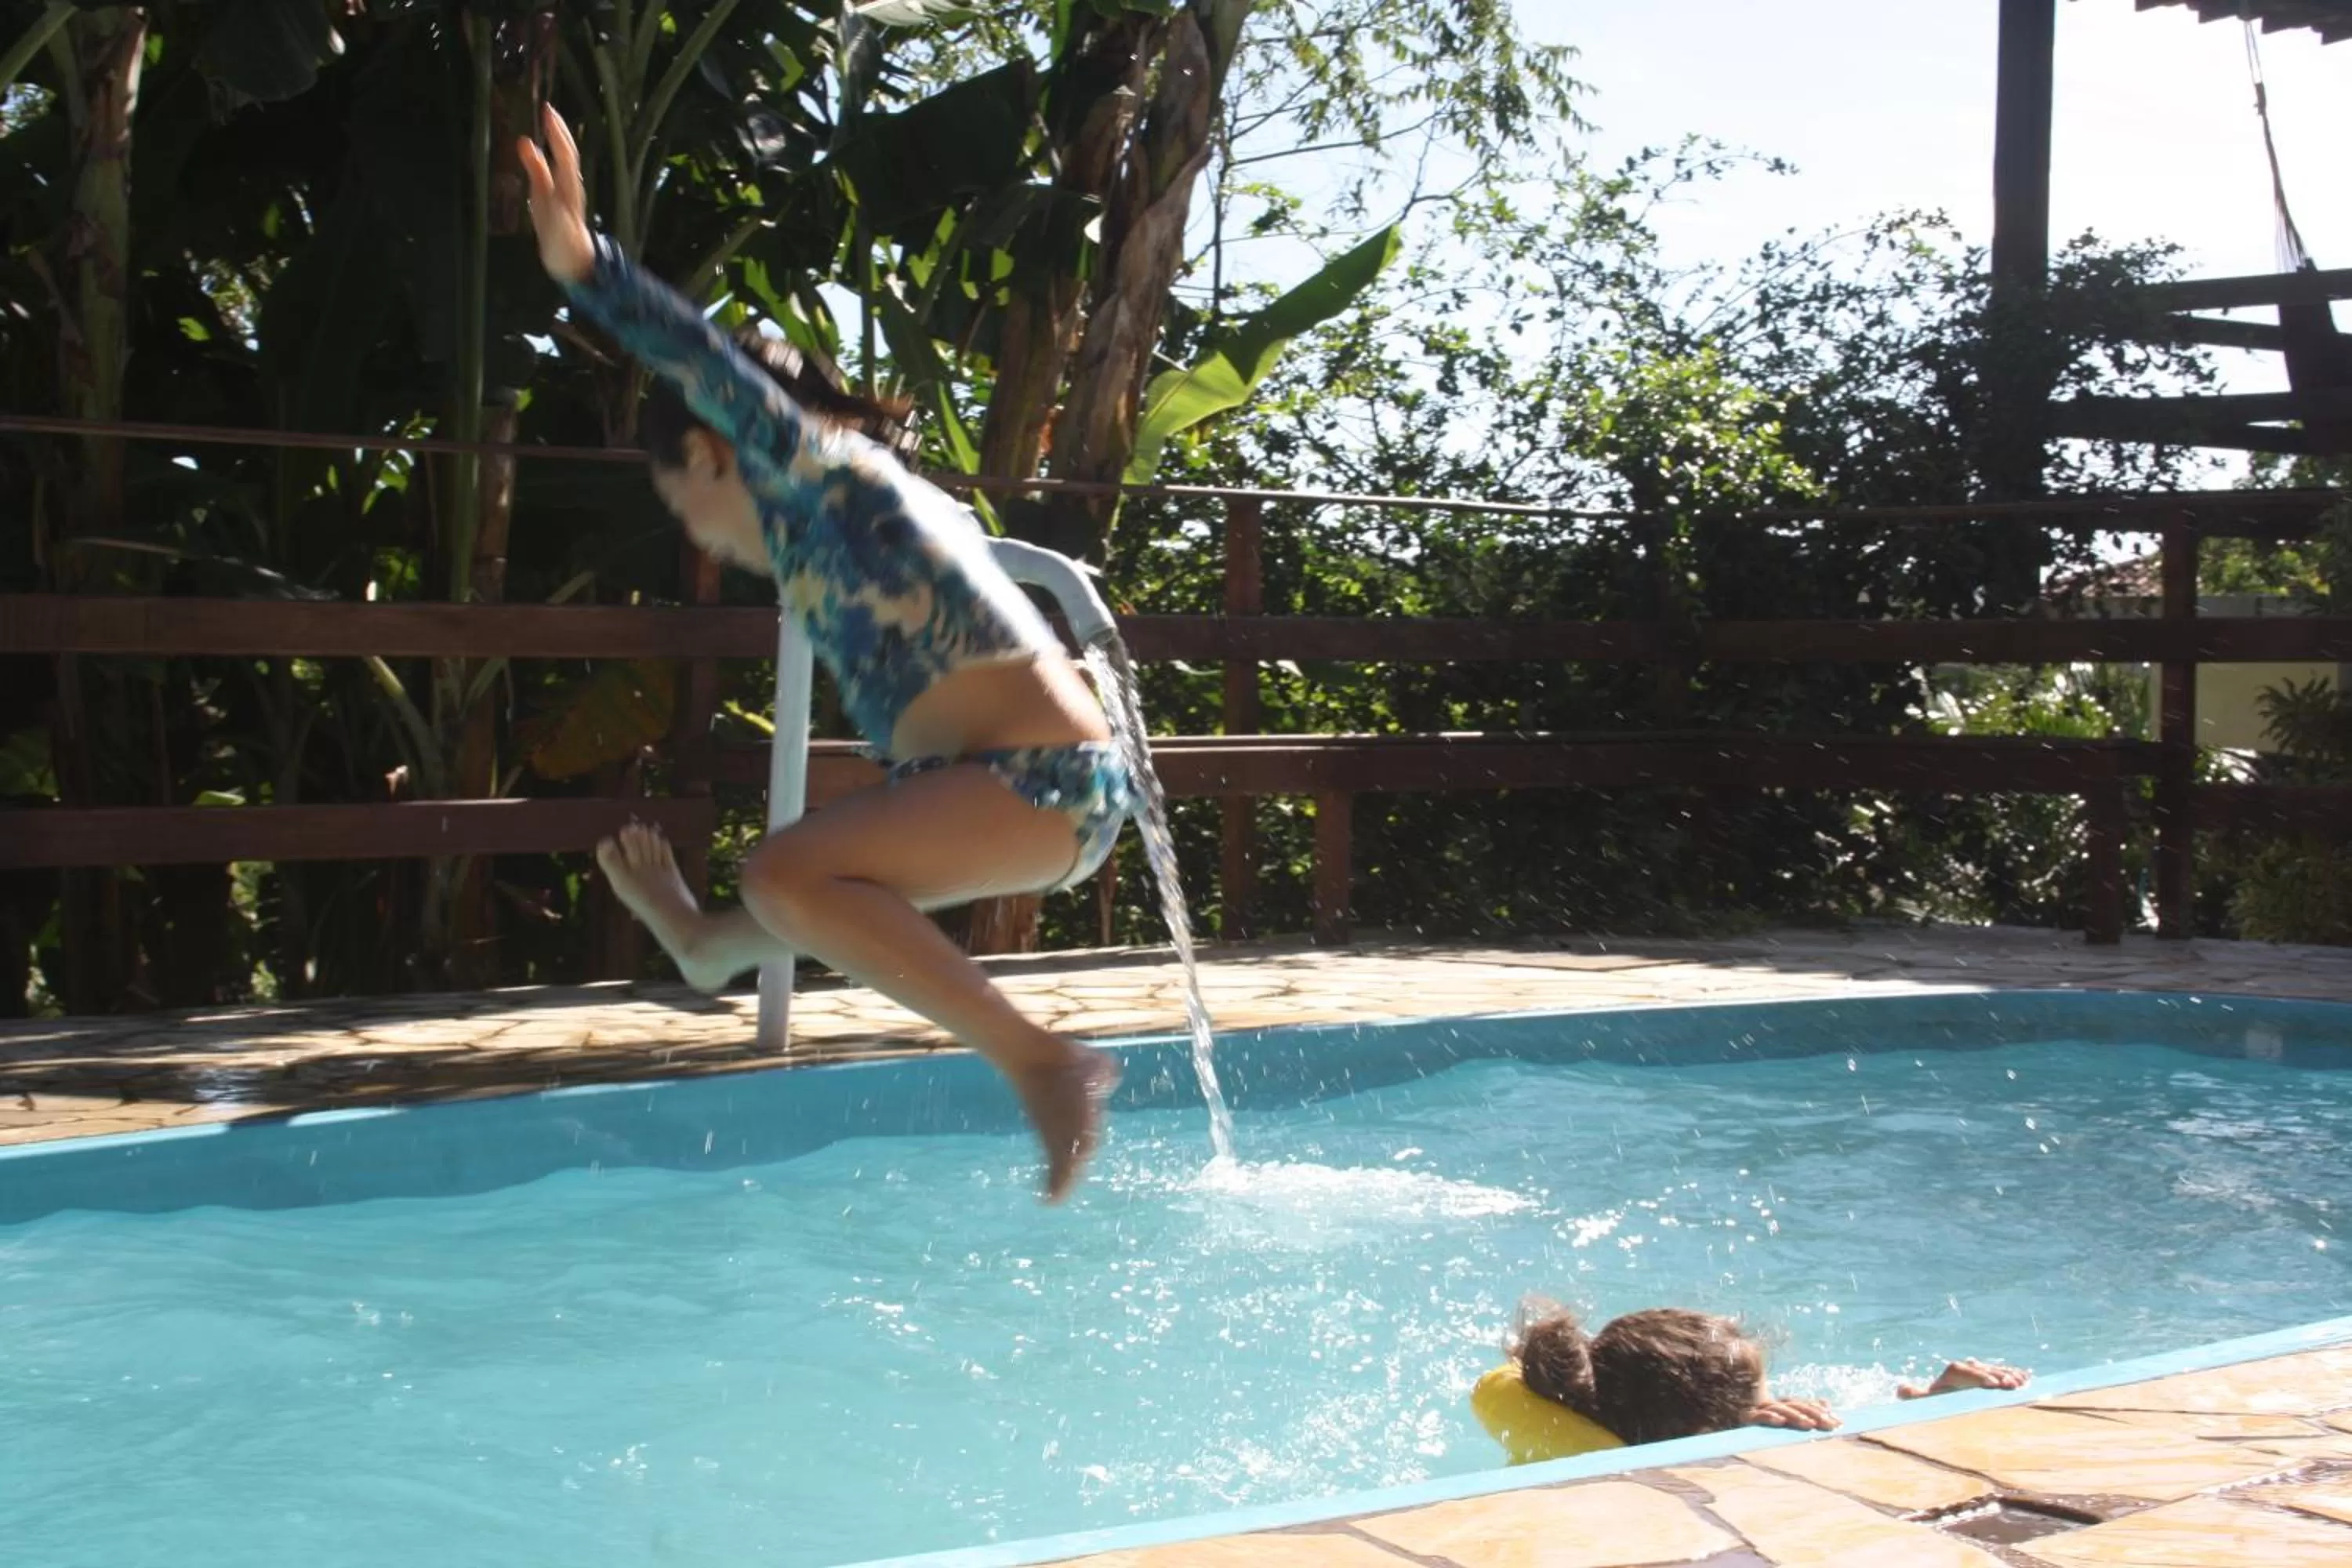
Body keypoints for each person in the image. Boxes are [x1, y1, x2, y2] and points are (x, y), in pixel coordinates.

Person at [517, 105, 1129, 1203]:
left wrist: (587, 265)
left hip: (1046, 779)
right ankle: (709, 947)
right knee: (811, 864)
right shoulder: (839, 520)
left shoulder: (813, 472)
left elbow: (702, 359)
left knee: (786, 871)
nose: (699, 534)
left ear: (717, 452)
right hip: (1002, 783)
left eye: (684, 502)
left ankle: (1041, 1058)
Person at [1472, 1301, 2031, 1465]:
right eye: (1762, 1404)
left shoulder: (1568, 1423)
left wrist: (1928, 1409)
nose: (1781, 1410)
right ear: (1701, 1429)